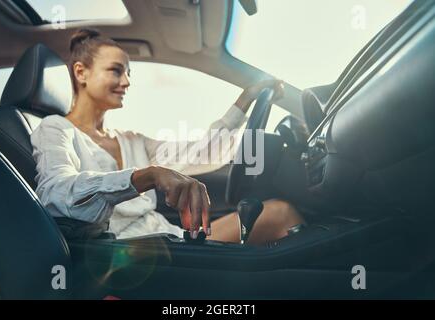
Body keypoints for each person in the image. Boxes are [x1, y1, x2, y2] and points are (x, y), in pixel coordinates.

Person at [31, 28, 305, 245]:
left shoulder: (130, 139)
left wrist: (246, 100)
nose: (126, 82)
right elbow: (56, 194)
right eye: (116, 70)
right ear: (81, 72)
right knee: (280, 216)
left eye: (128, 72)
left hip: (169, 238)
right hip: (128, 256)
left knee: (277, 213)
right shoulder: (55, 128)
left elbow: (203, 152)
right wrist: (145, 176)